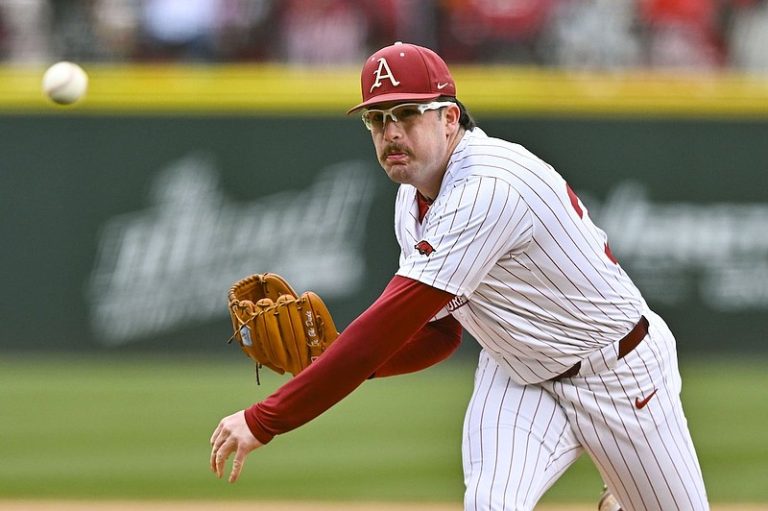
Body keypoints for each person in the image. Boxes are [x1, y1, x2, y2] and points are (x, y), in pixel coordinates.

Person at [209, 41, 710, 511]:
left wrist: (266, 418)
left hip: (619, 375)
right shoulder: (412, 198)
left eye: (407, 113)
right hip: (518, 375)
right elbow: (440, 333)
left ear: (450, 118)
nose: (391, 132)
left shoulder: (487, 188)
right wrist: (342, 362)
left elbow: (385, 327)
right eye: (377, 119)